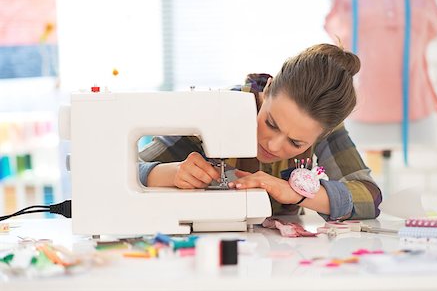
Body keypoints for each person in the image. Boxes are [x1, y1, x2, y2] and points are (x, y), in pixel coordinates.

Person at [138, 43, 382, 221]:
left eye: (296, 142)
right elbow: (121, 171)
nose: (274, 146)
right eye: (271, 123)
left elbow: (369, 197)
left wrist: (296, 194)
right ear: (268, 87)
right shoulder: (220, 108)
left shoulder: (324, 125)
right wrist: (168, 173)